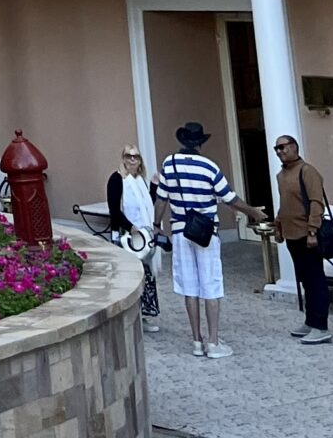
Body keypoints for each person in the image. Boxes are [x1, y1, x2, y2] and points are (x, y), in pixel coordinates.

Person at [155, 120, 258, 360]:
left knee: (189, 287)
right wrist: (252, 211)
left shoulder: (169, 164)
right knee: (211, 285)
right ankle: (213, 342)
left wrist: (156, 225)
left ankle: (196, 340)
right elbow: (230, 198)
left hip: (180, 231)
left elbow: (161, 200)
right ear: (200, 143)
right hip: (206, 232)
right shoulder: (209, 167)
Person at [272, 133, 333, 345]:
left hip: (307, 235)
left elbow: (316, 202)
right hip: (291, 234)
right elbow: (285, 204)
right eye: (276, 148)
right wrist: (278, 227)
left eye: (282, 147)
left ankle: (321, 326)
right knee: (305, 280)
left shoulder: (307, 171)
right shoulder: (281, 175)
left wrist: (312, 231)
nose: (279, 151)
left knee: (316, 280)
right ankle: (310, 321)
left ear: (294, 146)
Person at [105, 145, 162, 332]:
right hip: (125, 236)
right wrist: (130, 227)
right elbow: (114, 209)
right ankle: (129, 318)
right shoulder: (116, 179)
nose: (132, 159)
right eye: (128, 156)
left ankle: (142, 317)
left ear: (140, 160)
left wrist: (154, 185)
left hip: (142, 237)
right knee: (129, 277)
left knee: (145, 276)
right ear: (123, 158)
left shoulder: (140, 181)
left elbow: (147, 205)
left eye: (135, 156)